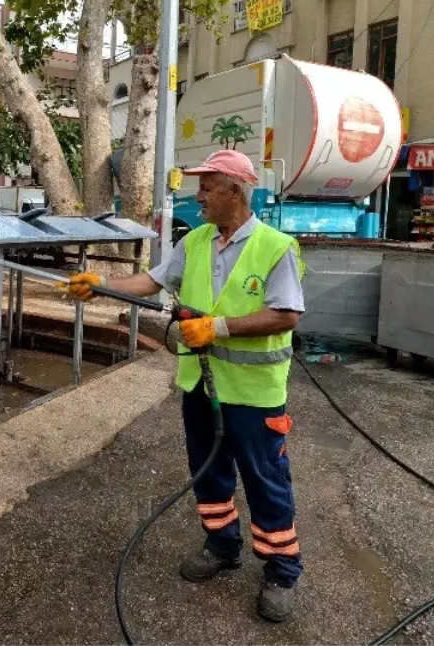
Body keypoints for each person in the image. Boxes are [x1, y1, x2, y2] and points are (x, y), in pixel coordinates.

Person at [63, 149, 305, 622]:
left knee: (265, 480)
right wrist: (100, 283)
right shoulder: (194, 241)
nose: (199, 197)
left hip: (254, 394)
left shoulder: (277, 247)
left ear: (235, 191)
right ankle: (223, 545)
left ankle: (281, 570)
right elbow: (152, 282)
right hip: (200, 387)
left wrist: (217, 328)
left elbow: (285, 315)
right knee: (208, 472)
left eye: (208, 188)